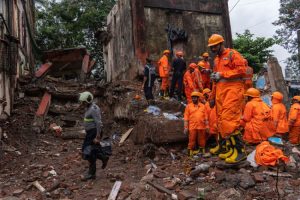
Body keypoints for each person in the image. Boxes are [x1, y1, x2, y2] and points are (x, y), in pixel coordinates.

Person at [207, 34, 247, 163]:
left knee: (229, 120)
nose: (213, 49)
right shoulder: (216, 60)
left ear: (221, 43)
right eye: (211, 47)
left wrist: (222, 74)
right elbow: (215, 80)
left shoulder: (232, 54)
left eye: (214, 46)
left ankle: (240, 152)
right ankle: (228, 149)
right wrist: (212, 97)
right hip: (220, 93)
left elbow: (242, 70)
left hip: (233, 91)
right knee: (220, 121)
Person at [79, 91, 108, 181]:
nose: (81, 104)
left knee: (88, 152)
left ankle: (91, 174)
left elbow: (98, 123)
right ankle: (104, 157)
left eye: (82, 102)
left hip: (94, 133)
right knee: (91, 151)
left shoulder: (93, 109)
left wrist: (97, 136)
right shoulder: (89, 107)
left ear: (87, 101)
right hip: (90, 132)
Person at [184, 92, 209, 156]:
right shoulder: (188, 106)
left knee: (202, 139)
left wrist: (207, 127)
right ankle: (190, 152)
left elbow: (206, 117)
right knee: (191, 139)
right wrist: (186, 128)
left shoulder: (203, 106)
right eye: (192, 98)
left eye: (195, 98)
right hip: (192, 126)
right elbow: (186, 118)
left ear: (198, 98)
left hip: (201, 126)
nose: (193, 99)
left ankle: (201, 151)